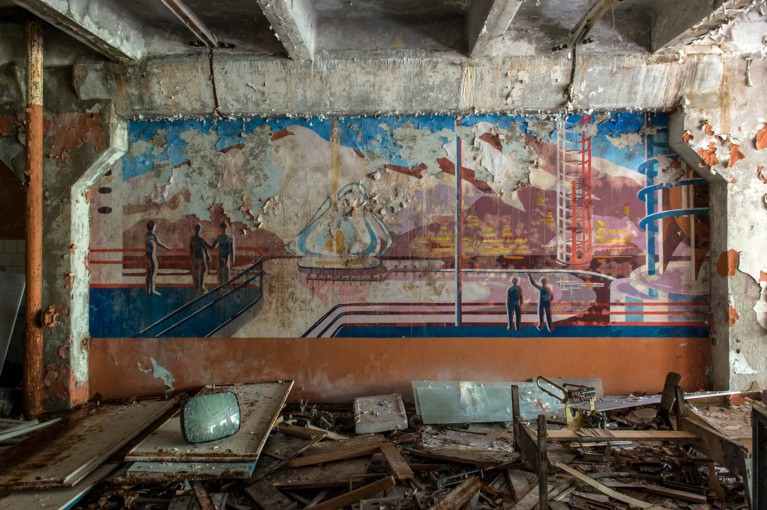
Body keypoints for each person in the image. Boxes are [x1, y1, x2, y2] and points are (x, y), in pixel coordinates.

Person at [145, 221, 170, 296]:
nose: (155, 227)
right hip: (152, 256)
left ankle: (148, 291)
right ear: (153, 227)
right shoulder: (153, 235)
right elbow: (158, 243)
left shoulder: (146, 235)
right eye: (155, 226)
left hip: (147, 256)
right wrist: (167, 247)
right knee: (153, 272)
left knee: (148, 273)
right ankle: (152, 290)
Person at [189, 224, 210, 292]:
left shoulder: (193, 239)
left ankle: (197, 287)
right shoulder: (200, 239)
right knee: (202, 271)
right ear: (199, 230)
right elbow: (205, 248)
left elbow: (191, 250)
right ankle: (200, 286)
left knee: (197, 272)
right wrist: (207, 256)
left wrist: (192, 258)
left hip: (196, 257)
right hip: (200, 257)